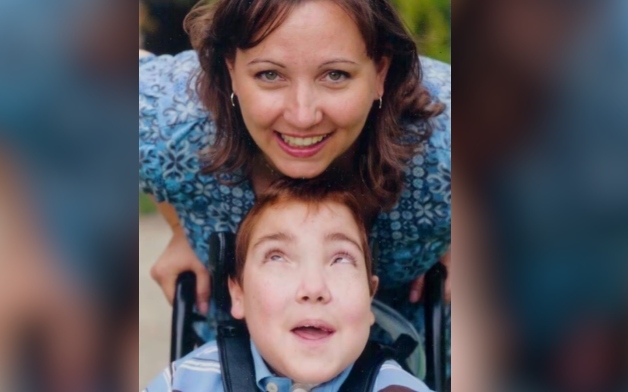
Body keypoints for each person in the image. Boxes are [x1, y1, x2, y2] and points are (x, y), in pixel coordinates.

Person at [139, 0, 451, 357]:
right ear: (230, 70)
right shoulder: (175, 123)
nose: (303, 116)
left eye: (335, 75)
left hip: (415, 342)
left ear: (380, 71)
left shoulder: (449, 138)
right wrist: (178, 226)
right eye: (270, 75)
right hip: (241, 349)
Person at [143, 179, 433, 392]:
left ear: (370, 296)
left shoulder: (397, 388)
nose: (313, 287)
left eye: (341, 259)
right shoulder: (188, 381)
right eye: (277, 257)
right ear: (238, 293)